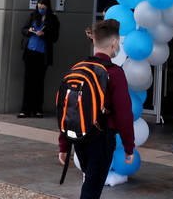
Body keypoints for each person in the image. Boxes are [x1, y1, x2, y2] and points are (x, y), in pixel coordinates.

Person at [57, 19, 135, 199]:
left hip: (80, 137)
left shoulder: (77, 68)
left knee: (90, 183)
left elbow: (68, 109)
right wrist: (129, 147)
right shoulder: (114, 73)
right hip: (102, 139)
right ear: (115, 43)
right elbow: (124, 115)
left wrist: (64, 144)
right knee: (92, 190)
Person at [19, 0, 60, 118]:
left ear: (48, 7)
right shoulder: (32, 16)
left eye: (43, 6)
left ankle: (38, 109)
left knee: (39, 82)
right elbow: (23, 29)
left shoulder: (53, 19)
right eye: (39, 6)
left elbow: (55, 37)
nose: (41, 8)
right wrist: (30, 31)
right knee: (28, 81)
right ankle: (25, 110)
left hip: (42, 54)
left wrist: (44, 34)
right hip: (30, 52)